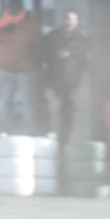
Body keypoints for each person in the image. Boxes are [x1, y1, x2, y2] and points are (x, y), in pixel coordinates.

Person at [39, 10, 89, 150]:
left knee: (67, 112)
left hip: (71, 83)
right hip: (53, 80)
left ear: (77, 22)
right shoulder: (52, 37)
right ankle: (45, 134)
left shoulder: (82, 41)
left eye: (72, 19)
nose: (69, 22)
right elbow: (42, 56)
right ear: (62, 21)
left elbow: (86, 63)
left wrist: (71, 54)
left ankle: (63, 143)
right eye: (66, 19)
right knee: (45, 104)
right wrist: (55, 55)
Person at [0, 0, 40, 131]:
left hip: (24, 70)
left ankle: (32, 130)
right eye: (12, 4)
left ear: (21, 5)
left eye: (17, 4)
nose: (14, 6)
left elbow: (37, 43)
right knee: (5, 102)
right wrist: (2, 29)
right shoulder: (0, 22)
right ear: (9, 5)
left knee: (27, 102)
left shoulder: (30, 23)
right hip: (5, 68)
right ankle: (5, 130)